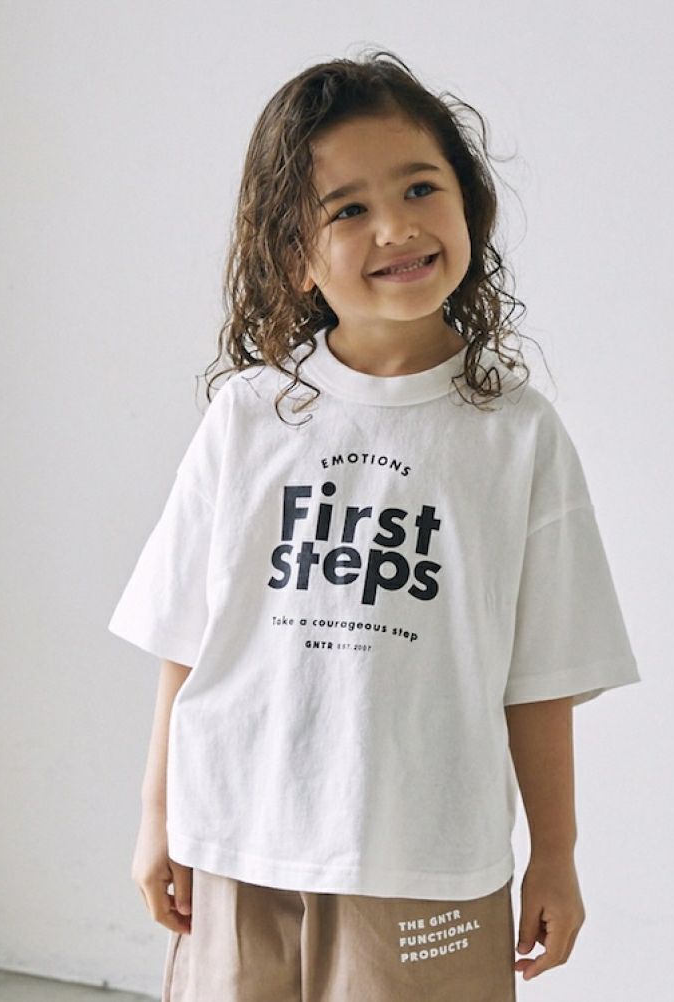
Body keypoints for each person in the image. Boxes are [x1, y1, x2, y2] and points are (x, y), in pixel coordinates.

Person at [108, 48, 641, 1002]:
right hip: (238, 840)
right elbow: (184, 639)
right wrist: (157, 817)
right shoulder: (249, 417)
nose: (396, 226)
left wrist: (555, 855)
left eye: (421, 188)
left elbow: (543, 676)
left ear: (470, 205)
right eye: (347, 209)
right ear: (294, 256)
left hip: (427, 860)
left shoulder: (515, 435)